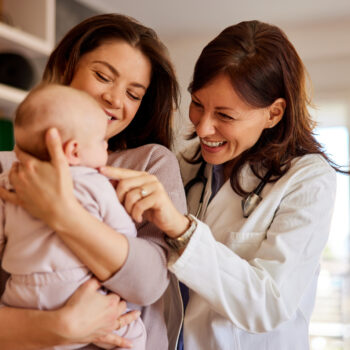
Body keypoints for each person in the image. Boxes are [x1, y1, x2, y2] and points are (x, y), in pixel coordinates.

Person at [97, 20, 345, 349]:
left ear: (273, 113)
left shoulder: (308, 180)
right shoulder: (184, 164)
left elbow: (270, 304)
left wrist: (180, 228)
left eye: (225, 116)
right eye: (198, 104)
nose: (203, 129)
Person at [0, 13, 186, 350]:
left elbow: (148, 283)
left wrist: (62, 213)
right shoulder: (6, 169)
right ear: (67, 68)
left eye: (134, 93)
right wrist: (58, 327)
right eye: (103, 76)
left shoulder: (149, 163)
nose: (115, 100)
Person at [0, 83, 147, 350]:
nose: (106, 147)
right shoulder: (94, 182)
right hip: (73, 289)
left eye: (134, 93)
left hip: (19, 293)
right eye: (103, 141)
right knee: (133, 334)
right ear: (74, 151)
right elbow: (125, 236)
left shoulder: (10, 181)